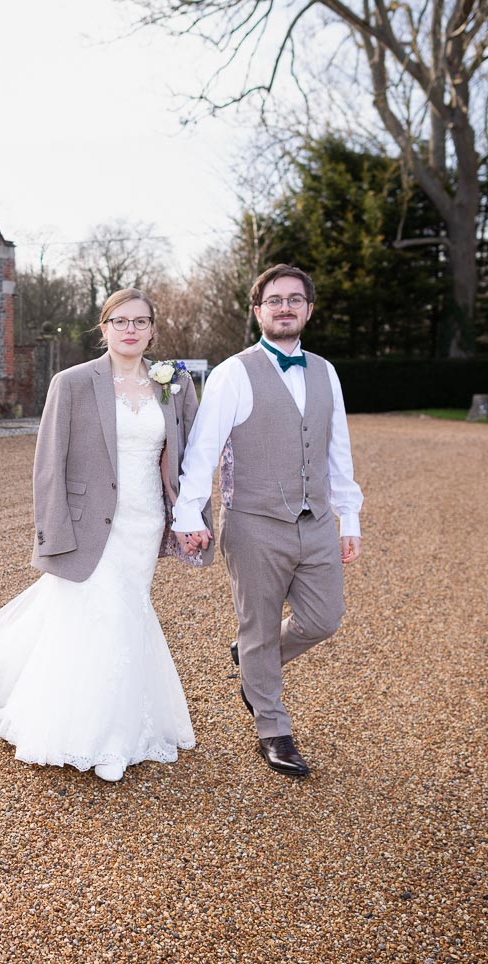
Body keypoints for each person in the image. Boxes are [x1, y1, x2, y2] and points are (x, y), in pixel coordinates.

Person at [0, 289, 205, 782]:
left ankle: (121, 722)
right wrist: (53, 536)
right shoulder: (71, 383)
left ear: (153, 330)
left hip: (145, 521)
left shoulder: (173, 384)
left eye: (140, 321)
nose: (130, 330)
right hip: (89, 523)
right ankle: (105, 740)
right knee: (106, 616)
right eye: (119, 321)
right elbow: (49, 464)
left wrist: (191, 517)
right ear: (103, 327)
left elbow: (191, 459)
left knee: (125, 615)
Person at [172, 264, 363, 778]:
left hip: (318, 520)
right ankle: (272, 729)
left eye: (294, 300)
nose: (284, 308)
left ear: (309, 309)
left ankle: (252, 657)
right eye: (273, 300)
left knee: (324, 619)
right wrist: (188, 513)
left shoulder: (326, 371)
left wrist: (350, 520)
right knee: (257, 627)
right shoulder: (235, 371)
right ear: (257, 311)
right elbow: (204, 448)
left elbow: (337, 450)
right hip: (255, 522)